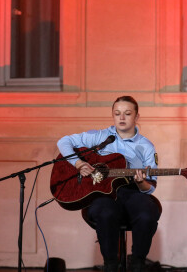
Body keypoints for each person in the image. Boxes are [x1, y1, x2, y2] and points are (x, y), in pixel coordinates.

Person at [57, 96, 161, 272]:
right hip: (101, 193)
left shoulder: (146, 146)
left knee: (146, 212)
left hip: (132, 192)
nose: (121, 118)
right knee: (105, 212)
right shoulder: (101, 136)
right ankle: (110, 265)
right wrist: (79, 164)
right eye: (117, 113)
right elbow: (63, 142)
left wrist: (141, 182)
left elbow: (150, 187)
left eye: (127, 114)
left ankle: (137, 263)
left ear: (137, 116)